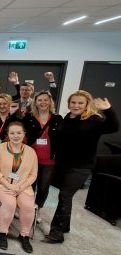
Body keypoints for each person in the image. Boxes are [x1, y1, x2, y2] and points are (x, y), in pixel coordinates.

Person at [44, 91, 119, 244]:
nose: (76, 105)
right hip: (63, 164)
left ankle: (57, 233)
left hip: (81, 167)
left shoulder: (94, 119)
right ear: (69, 104)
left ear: (86, 105)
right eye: (73, 102)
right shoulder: (68, 118)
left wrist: (108, 110)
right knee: (66, 196)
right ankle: (65, 226)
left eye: (80, 103)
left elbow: (113, 127)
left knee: (64, 196)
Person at [0, 121, 38, 253]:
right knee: (10, 203)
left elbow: (33, 175)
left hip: (22, 186)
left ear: (24, 134)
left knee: (28, 206)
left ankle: (24, 235)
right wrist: (7, 184)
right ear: (8, 134)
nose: (16, 135)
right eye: (12, 133)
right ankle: (3, 233)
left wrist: (20, 187)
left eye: (19, 133)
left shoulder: (31, 152)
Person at [22, 91, 63, 217]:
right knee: (28, 186)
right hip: (31, 159)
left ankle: (37, 208)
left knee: (44, 187)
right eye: (40, 100)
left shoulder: (57, 118)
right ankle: (25, 207)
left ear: (50, 102)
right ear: (35, 102)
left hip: (49, 161)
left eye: (46, 100)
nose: (43, 102)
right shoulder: (28, 117)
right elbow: (23, 135)